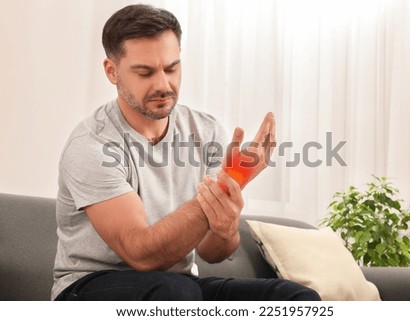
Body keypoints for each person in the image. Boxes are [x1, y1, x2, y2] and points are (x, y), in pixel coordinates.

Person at [51, 4, 320, 301]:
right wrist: (226, 183)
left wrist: (226, 221)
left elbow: (212, 251)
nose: (163, 84)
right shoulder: (92, 144)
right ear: (112, 71)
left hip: (177, 287)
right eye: (145, 72)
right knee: (175, 293)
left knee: (294, 298)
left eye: (171, 68)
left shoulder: (204, 130)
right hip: (88, 288)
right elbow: (141, 254)